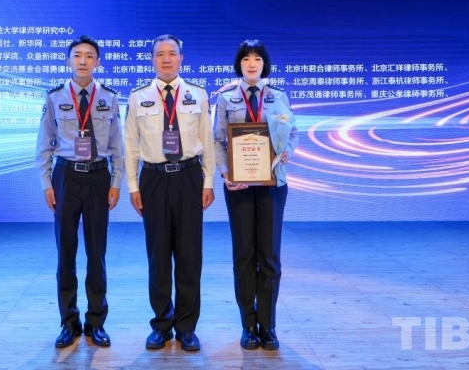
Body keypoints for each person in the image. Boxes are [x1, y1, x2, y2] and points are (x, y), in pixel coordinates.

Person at [124, 34, 216, 352]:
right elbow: (130, 146)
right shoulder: (138, 97)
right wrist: (133, 186)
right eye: (160, 54)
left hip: (189, 177)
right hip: (153, 179)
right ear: (152, 60)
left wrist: (208, 181)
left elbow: (208, 142)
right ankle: (162, 324)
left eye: (172, 53)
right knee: (158, 256)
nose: (166, 58)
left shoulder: (197, 94)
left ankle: (187, 327)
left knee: (190, 256)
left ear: (181, 59)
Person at [36, 35, 123, 349]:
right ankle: (69, 322)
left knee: (97, 254)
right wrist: (47, 183)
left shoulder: (109, 98)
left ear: (97, 62)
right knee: (66, 253)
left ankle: (96, 322)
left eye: (89, 56)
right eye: (77, 55)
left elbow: (117, 145)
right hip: (66, 177)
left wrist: (116, 182)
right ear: (69, 60)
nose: (83, 60)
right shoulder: (54, 97)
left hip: (99, 177)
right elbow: (44, 145)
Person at [213, 39, 298, 351]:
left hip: (273, 184)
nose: (252, 63)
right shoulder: (226, 98)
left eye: (257, 59)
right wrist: (226, 173)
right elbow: (218, 140)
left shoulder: (279, 96)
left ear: (264, 64)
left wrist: (287, 151)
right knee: (244, 256)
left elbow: (293, 131)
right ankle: (248, 324)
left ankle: (268, 325)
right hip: (239, 187)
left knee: (270, 256)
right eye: (246, 58)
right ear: (239, 64)